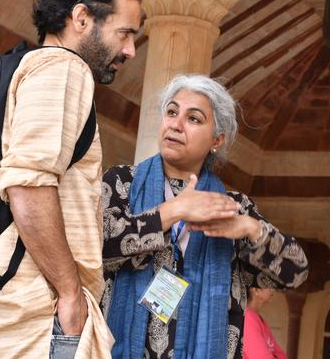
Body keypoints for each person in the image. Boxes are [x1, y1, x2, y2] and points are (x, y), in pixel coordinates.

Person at [0, 0, 146, 358]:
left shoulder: (31, 66)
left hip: (0, 310)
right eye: (124, 33)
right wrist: (70, 293)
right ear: (81, 18)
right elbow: (28, 184)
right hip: (29, 316)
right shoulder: (64, 69)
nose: (130, 50)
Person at [100, 74, 309, 359]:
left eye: (193, 119)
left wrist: (251, 228)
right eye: (171, 112)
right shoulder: (122, 182)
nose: (175, 124)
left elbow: (295, 273)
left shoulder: (230, 207)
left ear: (217, 139)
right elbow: (95, 248)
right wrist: (174, 210)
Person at [243, 287, 287, 359]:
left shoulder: (257, 318)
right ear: (256, 290)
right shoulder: (248, 317)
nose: (273, 289)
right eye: (268, 284)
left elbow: (281, 355)